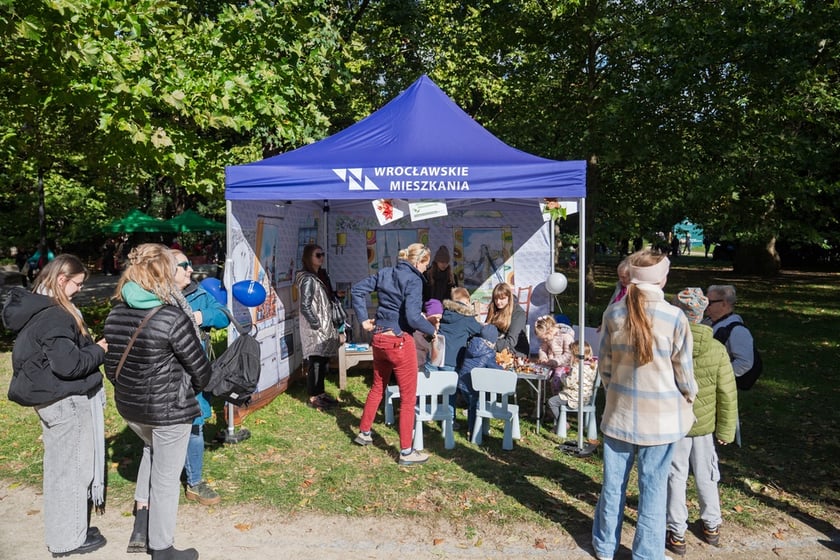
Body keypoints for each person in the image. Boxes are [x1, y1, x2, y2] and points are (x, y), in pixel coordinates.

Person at [104, 243, 213, 560]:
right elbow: (201, 372)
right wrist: (183, 389)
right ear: (163, 273)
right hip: (169, 411)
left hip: (131, 408)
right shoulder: (171, 317)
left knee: (152, 453)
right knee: (166, 480)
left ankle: (141, 523)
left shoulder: (115, 312)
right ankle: (162, 549)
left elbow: (111, 368)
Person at [592, 249, 697, 560]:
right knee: (653, 489)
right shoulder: (675, 316)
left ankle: (604, 546)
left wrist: (618, 395)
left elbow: (605, 368)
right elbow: (685, 373)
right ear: (662, 279)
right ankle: (648, 554)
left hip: (619, 415)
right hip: (662, 420)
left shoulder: (612, 314)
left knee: (612, 486)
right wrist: (688, 396)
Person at [1, 255, 108, 557]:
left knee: (60, 468)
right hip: (64, 400)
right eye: (77, 284)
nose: (78, 290)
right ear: (62, 280)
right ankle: (67, 541)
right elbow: (68, 365)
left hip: (50, 398)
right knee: (72, 470)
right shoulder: (56, 315)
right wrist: (99, 351)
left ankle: (69, 528)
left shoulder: (39, 309)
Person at [666, 288, 738, 556]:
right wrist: (726, 430)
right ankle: (711, 524)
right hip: (705, 427)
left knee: (676, 476)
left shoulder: (667, 344)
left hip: (675, 425)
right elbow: (727, 393)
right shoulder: (717, 349)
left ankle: (676, 531)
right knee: (708, 475)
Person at [351, 243, 437, 466]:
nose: (427, 269)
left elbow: (357, 290)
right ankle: (407, 452)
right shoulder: (415, 279)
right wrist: (432, 330)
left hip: (379, 338)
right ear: (418, 262)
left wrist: (363, 320)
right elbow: (412, 318)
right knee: (408, 399)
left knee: (378, 386)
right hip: (399, 341)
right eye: (426, 265)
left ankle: (364, 432)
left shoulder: (385, 272)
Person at [175, 252, 230, 506]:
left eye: (190, 263)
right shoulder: (152, 297)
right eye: (184, 265)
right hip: (166, 376)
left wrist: (201, 317)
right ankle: (155, 481)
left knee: (195, 424)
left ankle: (194, 482)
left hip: (195, 374)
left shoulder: (198, 294)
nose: (190, 269)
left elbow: (223, 315)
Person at [296, 244, 342, 410]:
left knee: (322, 360)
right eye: (318, 255)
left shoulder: (320, 275)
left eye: (322, 254)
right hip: (315, 326)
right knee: (315, 360)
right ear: (309, 257)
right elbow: (305, 305)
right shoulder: (308, 279)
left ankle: (320, 393)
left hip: (323, 323)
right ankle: (314, 396)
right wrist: (316, 323)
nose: (321, 258)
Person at [456, 323, 504, 440]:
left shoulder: (471, 345)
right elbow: (494, 368)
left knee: (472, 406)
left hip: (463, 383)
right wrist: (503, 369)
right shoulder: (489, 353)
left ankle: (474, 429)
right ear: (492, 341)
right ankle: (474, 432)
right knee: (475, 407)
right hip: (475, 386)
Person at [702, 285, 755, 384]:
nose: (705, 306)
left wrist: (717, 378)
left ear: (724, 304)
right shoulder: (707, 322)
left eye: (709, 302)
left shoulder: (737, 330)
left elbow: (744, 363)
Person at [546, 340, 597, 429]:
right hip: (586, 398)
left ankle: (561, 424)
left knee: (552, 402)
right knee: (559, 397)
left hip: (574, 398)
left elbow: (569, 383)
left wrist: (563, 376)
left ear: (574, 356)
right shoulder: (592, 366)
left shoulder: (577, 368)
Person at [438, 287, 483, 372]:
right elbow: (479, 330)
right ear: (467, 300)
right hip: (453, 360)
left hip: (439, 357)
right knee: (452, 384)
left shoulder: (445, 313)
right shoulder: (466, 317)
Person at [485, 282, 530, 357]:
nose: (498, 302)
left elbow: (511, 342)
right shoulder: (493, 308)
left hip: (515, 352)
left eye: (502, 298)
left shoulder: (518, 314)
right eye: (496, 298)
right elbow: (487, 330)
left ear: (509, 297)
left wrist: (491, 345)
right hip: (495, 348)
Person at [414, 298, 446, 372]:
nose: (438, 320)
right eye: (436, 318)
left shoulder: (432, 327)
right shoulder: (418, 323)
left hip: (421, 363)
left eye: (440, 318)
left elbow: (435, 359)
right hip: (412, 361)